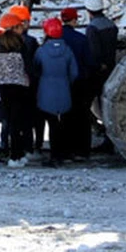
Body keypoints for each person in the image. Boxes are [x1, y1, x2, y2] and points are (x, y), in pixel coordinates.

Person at [33, 18, 79, 166]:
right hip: (64, 90)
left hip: (45, 91)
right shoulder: (68, 50)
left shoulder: (41, 51)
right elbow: (74, 73)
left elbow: (35, 69)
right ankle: (63, 153)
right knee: (63, 124)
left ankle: (53, 156)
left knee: (51, 123)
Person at [0, 14, 31, 168]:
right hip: (20, 87)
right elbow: (29, 68)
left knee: (9, 121)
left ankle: (13, 155)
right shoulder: (21, 49)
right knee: (19, 122)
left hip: (3, 87)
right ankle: (18, 154)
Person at [60, 7, 94, 160]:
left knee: (65, 117)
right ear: (74, 20)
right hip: (80, 82)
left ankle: (66, 150)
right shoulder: (81, 39)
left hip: (62, 82)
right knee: (82, 116)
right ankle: (82, 151)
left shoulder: (55, 38)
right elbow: (89, 61)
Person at [7, 4, 41, 155]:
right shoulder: (31, 42)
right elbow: (34, 65)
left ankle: (13, 148)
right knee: (29, 119)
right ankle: (31, 146)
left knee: (13, 120)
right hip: (28, 86)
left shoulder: (2, 42)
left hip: (9, 85)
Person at [84, 0, 118, 100]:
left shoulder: (92, 28)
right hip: (112, 65)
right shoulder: (111, 24)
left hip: (100, 69)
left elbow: (95, 51)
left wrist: (98, 65)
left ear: (88, 11)